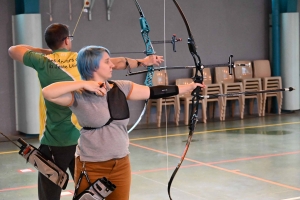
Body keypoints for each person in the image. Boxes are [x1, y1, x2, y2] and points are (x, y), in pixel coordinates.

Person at [8, 23, 163, 200]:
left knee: (48, 195)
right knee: (89, 194)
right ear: (66, 40)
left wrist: (47, 51)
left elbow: (14, 50)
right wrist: (144, 62)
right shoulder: (81, 60)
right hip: (83, 142)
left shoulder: (41, 61)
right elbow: (116, 63)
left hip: (54, 140)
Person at [42, 45, 205, 200]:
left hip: (120, 164)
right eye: (106, 61)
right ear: (92, 66)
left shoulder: (121, 87)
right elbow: (48, 92)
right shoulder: (78, 95)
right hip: (91, 166)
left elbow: (152, 92)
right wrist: (83, 83)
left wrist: (189, 87)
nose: (111, 64)